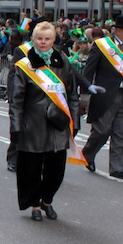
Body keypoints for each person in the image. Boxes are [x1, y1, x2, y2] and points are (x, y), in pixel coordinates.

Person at [9, 22, 81, 221]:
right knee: (31, 169)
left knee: (56, 170)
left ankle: (47, 200)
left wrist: (74, 120)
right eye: (40, 38)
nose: (43, 42)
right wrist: (16, 126)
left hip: (58, 124)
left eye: (47, 39)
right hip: (33, 124)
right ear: (33, 40)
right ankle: (34, 205)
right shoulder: (25, 65)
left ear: (53, 40)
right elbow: (17, 100)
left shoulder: (63, 61)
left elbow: (72, 93)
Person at [81, 14, 123, 179]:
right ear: (119, 30)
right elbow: (89, 70)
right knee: (101, 130)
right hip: (105, 95)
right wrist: (85, 93)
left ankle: (117, 168)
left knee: (120, 133)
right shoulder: (103, 46)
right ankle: (88, 155)